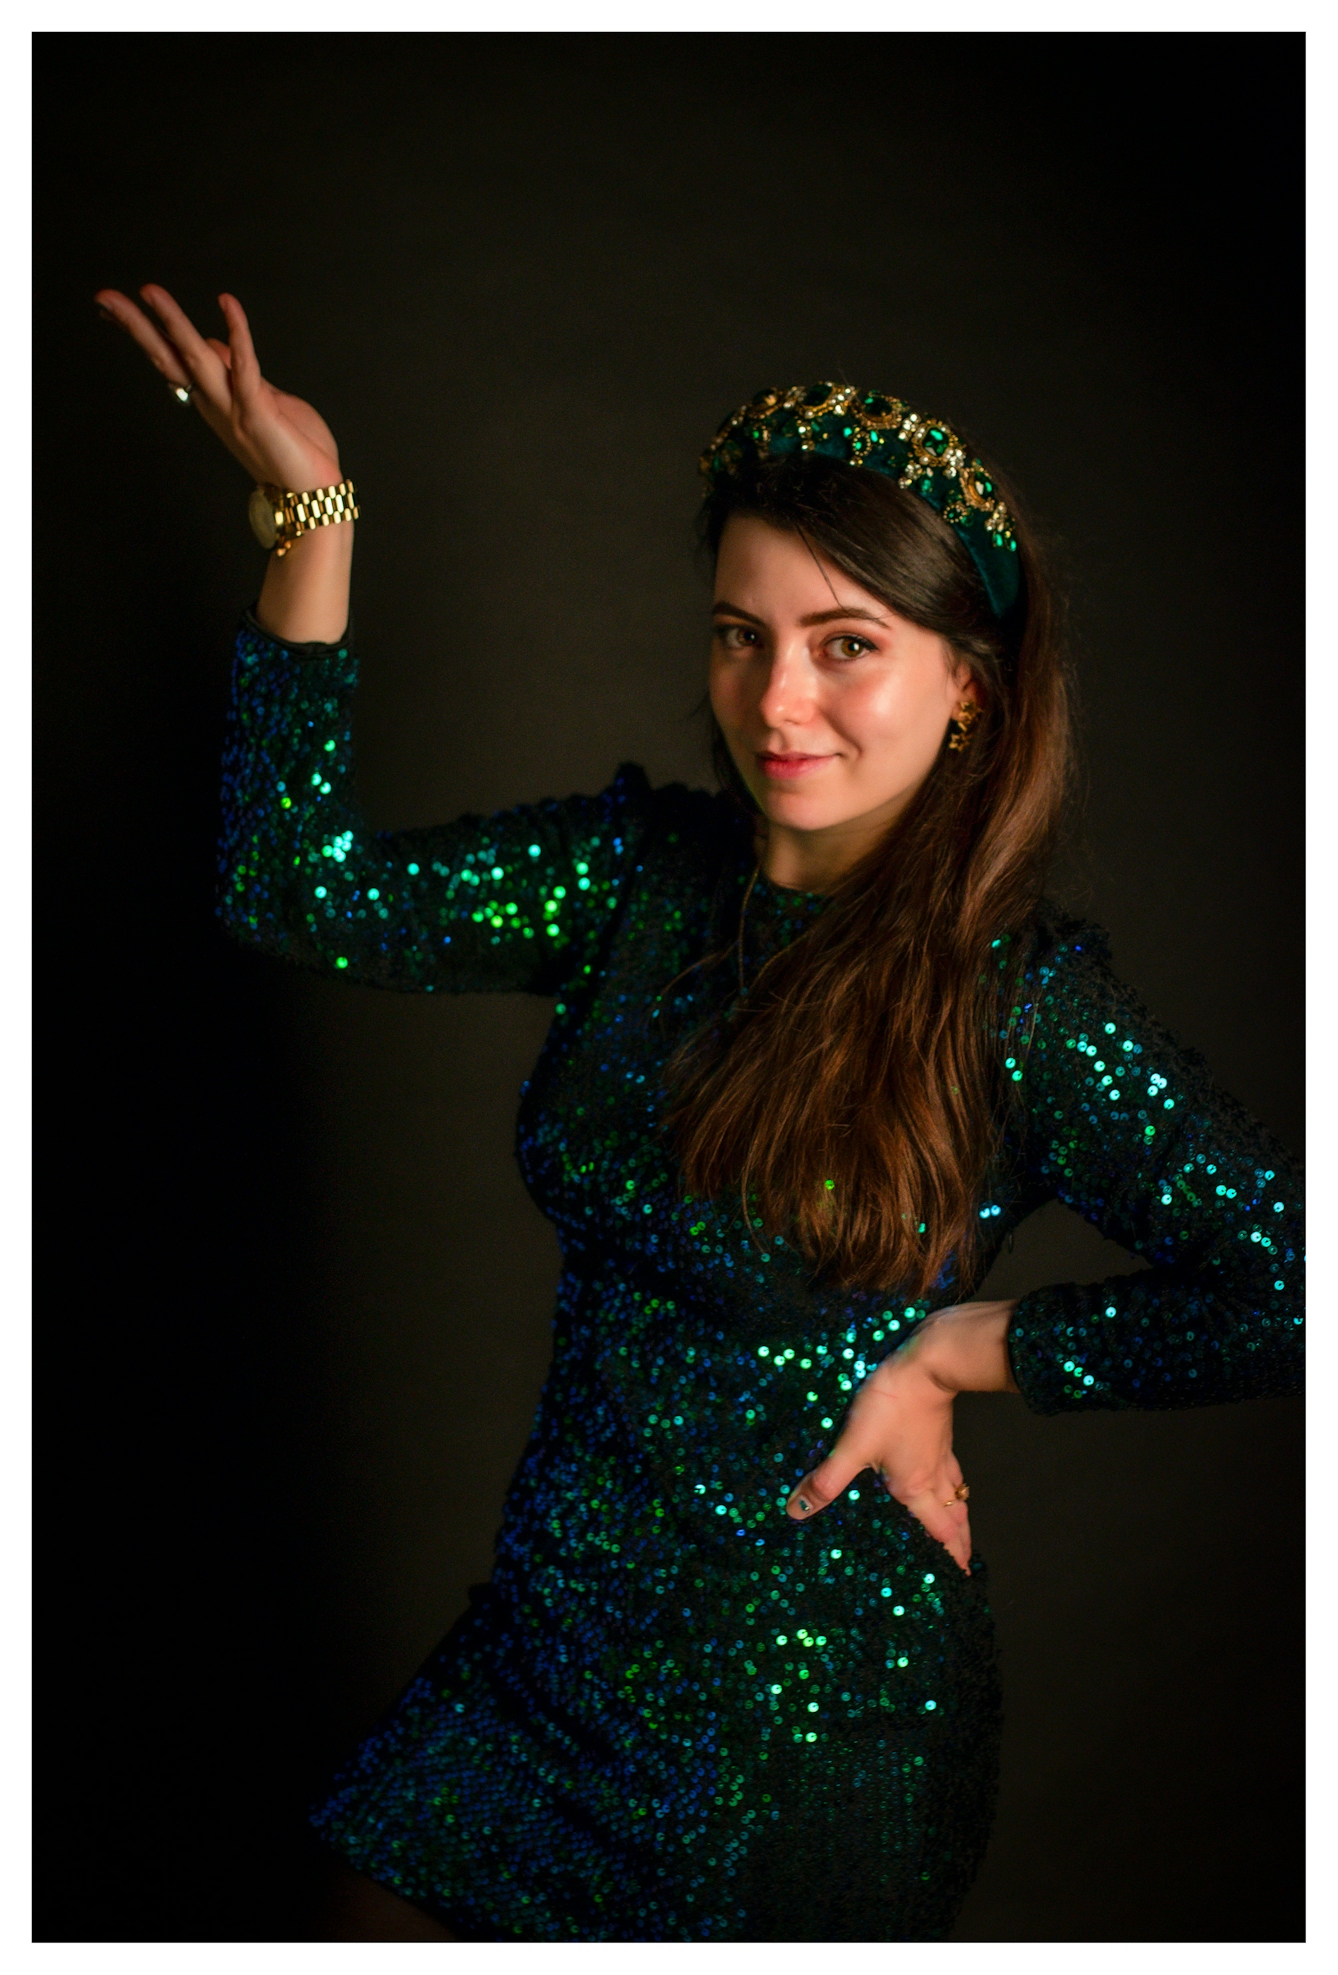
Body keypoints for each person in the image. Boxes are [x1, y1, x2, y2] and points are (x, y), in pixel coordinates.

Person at [95, 284, 1304, 1944]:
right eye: (742, 634)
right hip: (540, 1670)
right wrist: (313, 517)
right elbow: (292, 887)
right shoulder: (633, 876)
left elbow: (1286, 1292)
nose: (777, 700)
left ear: (968, 683)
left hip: (810, 1735)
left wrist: (964, 1351)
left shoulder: (1017, 1005)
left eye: (846, 644)